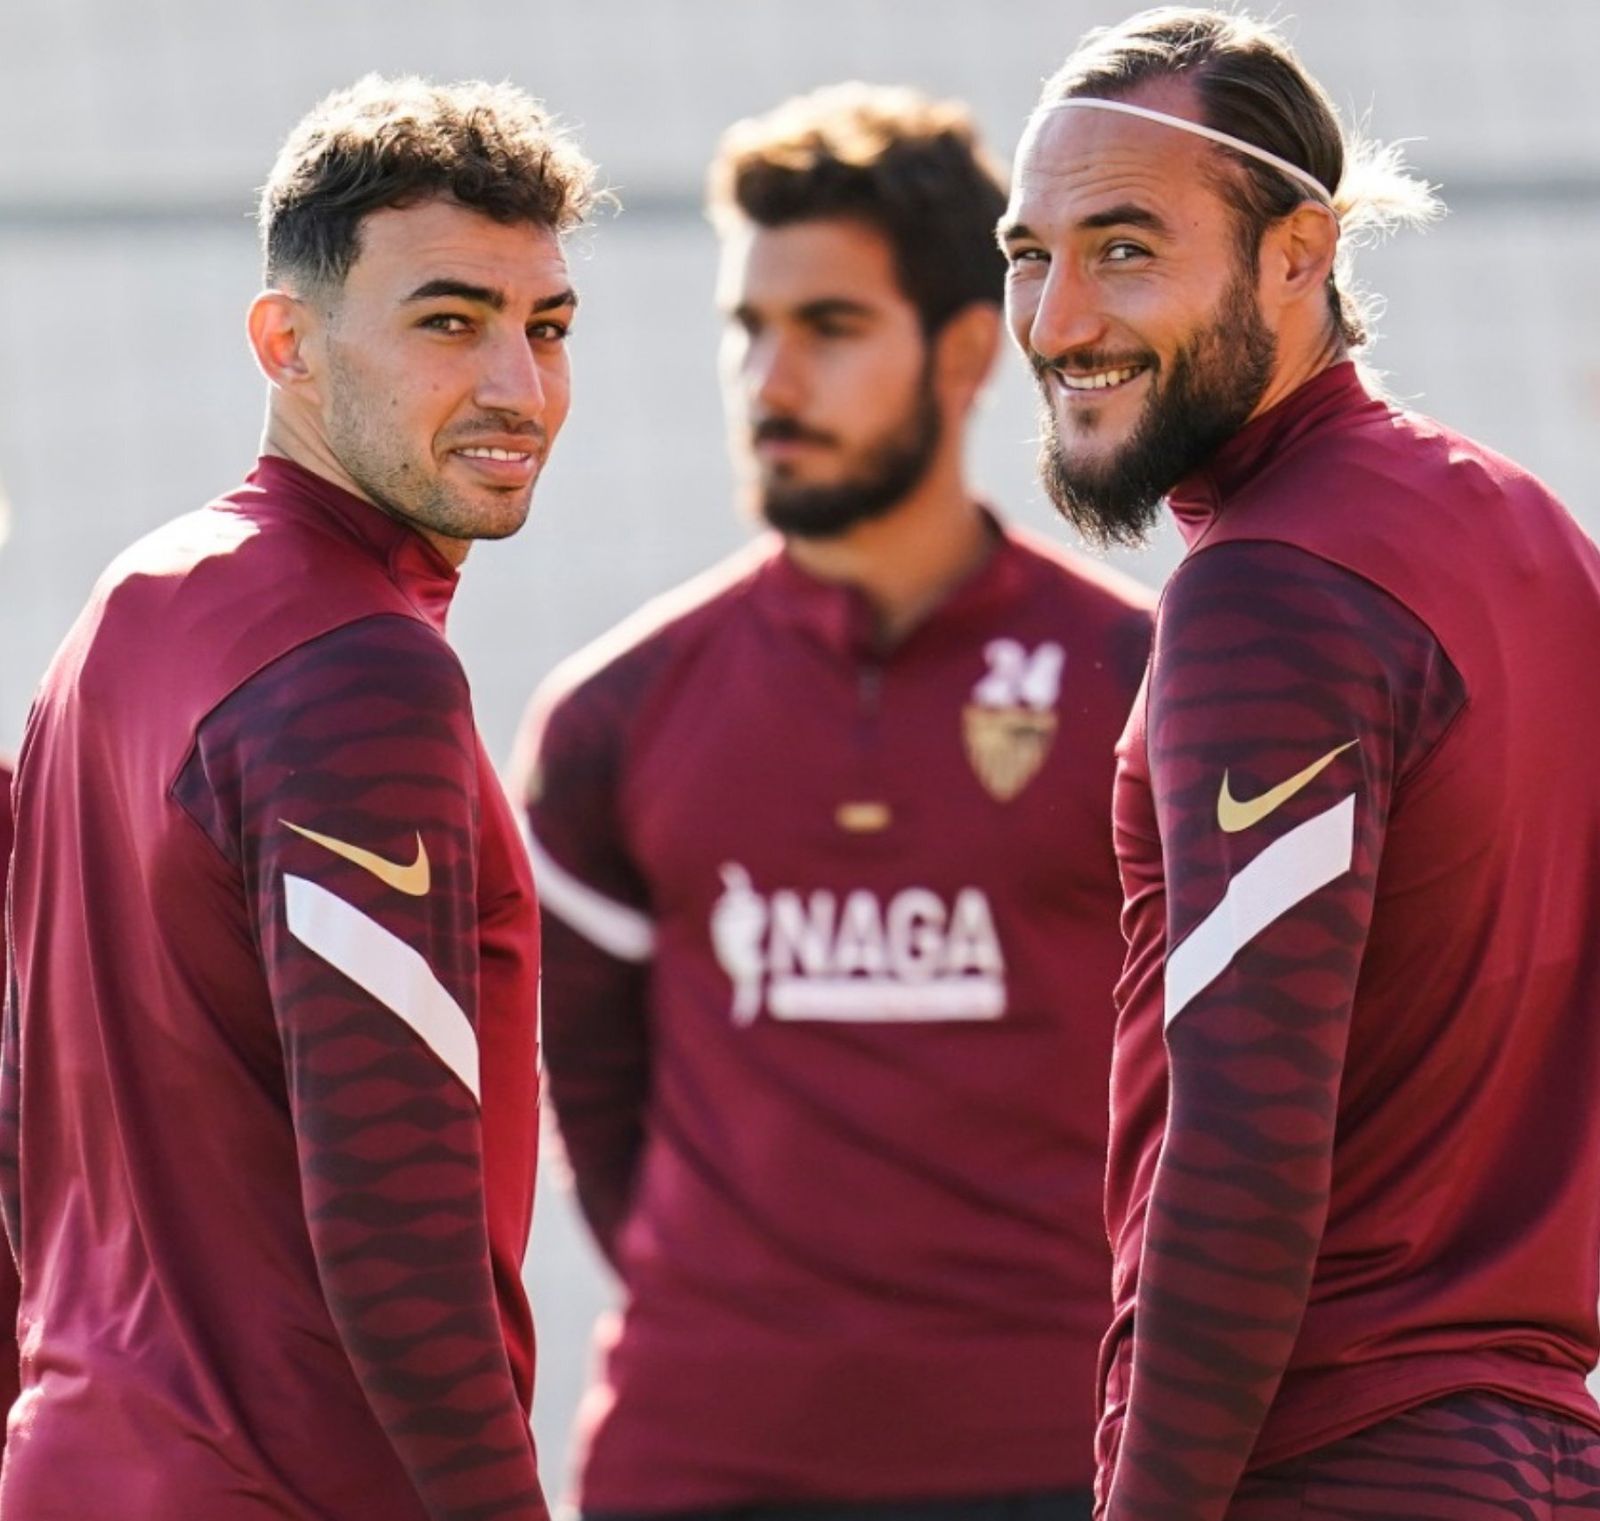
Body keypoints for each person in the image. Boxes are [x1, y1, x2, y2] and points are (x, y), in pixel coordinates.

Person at [512, 85, 1153, 1521]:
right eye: (750, 330)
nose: (772, 379)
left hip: (1064, 1466)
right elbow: (596, 1113)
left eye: (830, 329)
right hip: (704, 1465)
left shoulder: (1150, 684)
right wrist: (755, 1319)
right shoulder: (612, 714)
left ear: (968, 352)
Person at [1001, 8, 1600, 1520]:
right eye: (1029, 254)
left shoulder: (1268, 587)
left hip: (1331, 1460)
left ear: (1298, 250)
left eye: (1125, 247)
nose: (1059, 317)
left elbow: (1244, 1156)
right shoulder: (1531, 535)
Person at [0, 76, 596, 1520]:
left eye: (548, 327)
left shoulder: (128, 610)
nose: (518, 386)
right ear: (289, 344)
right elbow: (398, 1237)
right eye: (449, 322)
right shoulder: (358, 669)